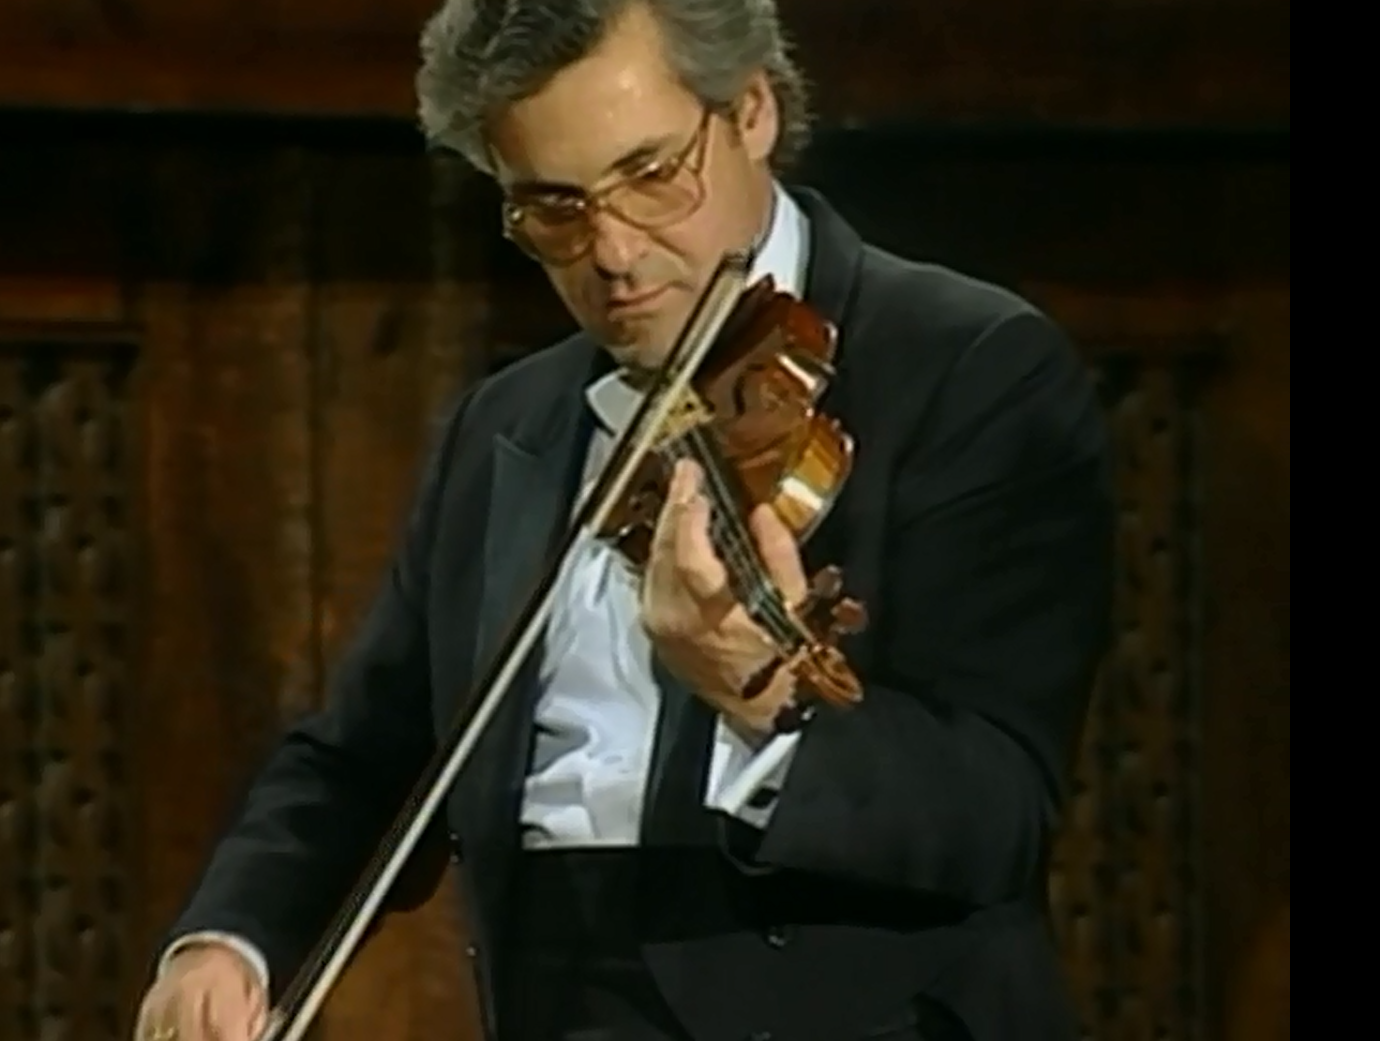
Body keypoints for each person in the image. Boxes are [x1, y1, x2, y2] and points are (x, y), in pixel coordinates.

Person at [132, 1, 1115, 1039]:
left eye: (650, 174)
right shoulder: (504, 424)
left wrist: (763, 694)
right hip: (554, 992)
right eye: (553, 208)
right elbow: (367, 754)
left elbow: (994, 811)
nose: (611, 253)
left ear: (749, 113)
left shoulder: (970, 368)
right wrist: (231, 940)